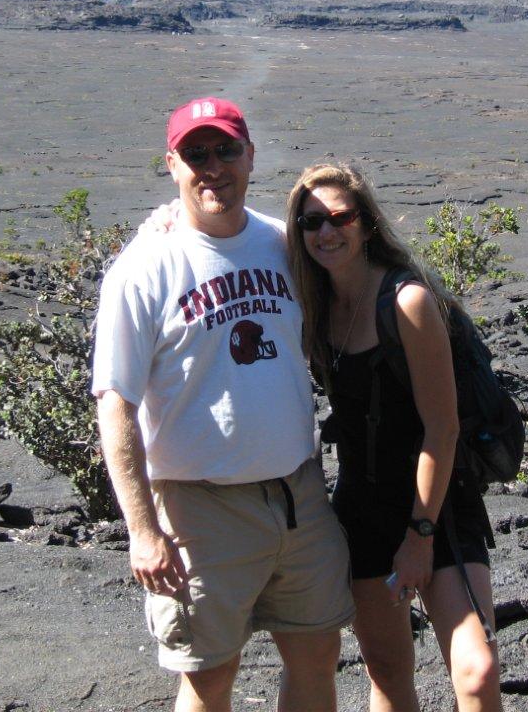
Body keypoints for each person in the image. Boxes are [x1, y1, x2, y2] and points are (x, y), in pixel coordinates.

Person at [91, 98, 353, 712]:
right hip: (199, 511)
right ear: (172, 166)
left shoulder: (284, 244)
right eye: (196, 154)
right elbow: (115, 402)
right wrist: (143, 531)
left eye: (226, 150)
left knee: (317, 655)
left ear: (250, 156)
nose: (213, 167)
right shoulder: (144, 268)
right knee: (209, 677)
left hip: (300, 496)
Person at [286, 162, 502, 712]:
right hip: (363, 509)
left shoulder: (407, 301)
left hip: (438, 506)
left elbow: (442, 429)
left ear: (366, 222)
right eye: (312, 222)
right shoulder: (314, 306)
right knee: (386, 672)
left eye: (340, 218)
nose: (326, 232)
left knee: (477, 673)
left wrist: (419, 536)